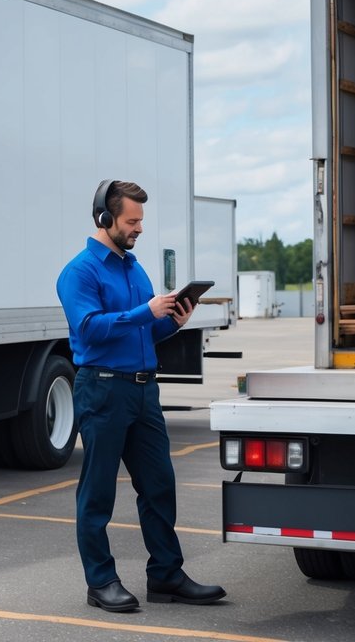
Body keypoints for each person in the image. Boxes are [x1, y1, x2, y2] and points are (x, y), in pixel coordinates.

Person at [55, 180, 226, 613]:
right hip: (103, 389)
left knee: (159, 486)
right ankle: (101, 582)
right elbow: (89, 327)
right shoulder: (79, 272)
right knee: (97, 493)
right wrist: (144, 312)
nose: (139, 229)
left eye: (141, 221)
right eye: (132, 221)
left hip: (143, 391)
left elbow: (145, 330)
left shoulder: (134, 269)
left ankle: (166, 575)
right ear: (105, 218)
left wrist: (173, 321)